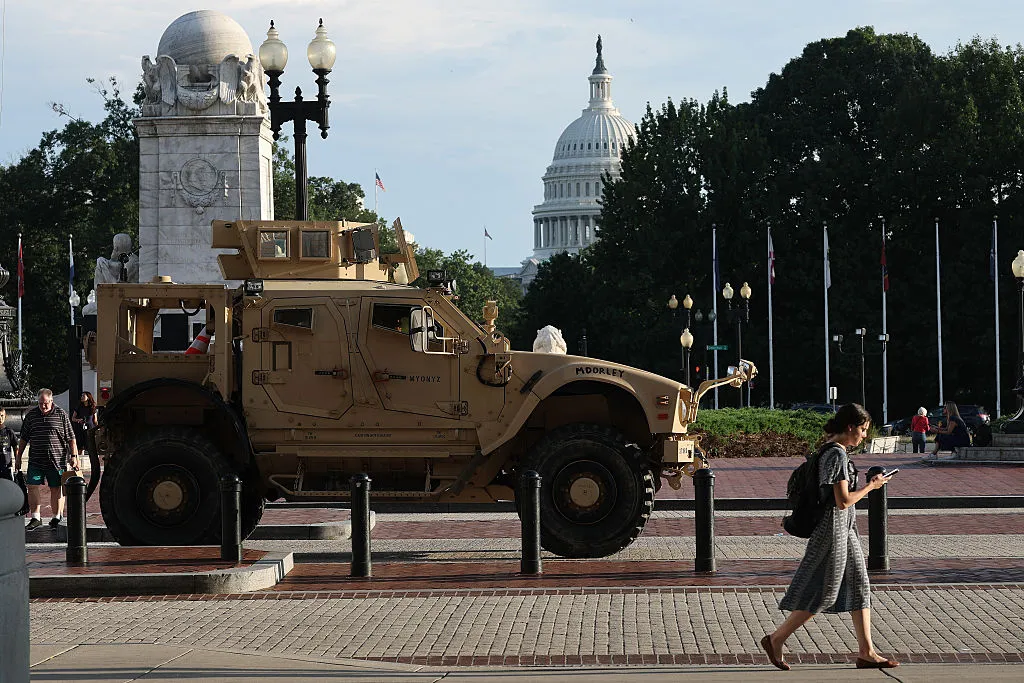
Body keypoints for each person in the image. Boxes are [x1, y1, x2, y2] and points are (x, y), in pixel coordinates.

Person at [761, 403, 897, 670]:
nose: (864, 436)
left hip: (846, 530)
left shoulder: (835, 451)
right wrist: (872, 485)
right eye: (862, 429)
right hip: (832, 530)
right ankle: (776, 638)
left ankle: (866, 651)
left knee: (860, 586)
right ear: (850, 427)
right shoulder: (835, 455)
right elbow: (843, 501)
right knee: (824, 593)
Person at [15, 389, 79, 530]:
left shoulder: (61, 414)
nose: (42, 406)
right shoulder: (31, 416)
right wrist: (18, 457)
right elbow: (24, 438)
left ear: (51, 401)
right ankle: (36, 517)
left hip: (56, 461)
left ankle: (56, 517)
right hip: (36, 460)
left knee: (56, 488)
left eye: (45, 403)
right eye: (40, 403)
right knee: (32, 486)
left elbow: (71, 438)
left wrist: (74, 456)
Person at [71, 391, 97, 456]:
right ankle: (79, 459)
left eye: (83, 396)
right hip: (80, 428)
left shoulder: (92, 407)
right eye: (81, 396)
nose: (81, 397)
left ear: (88, 397)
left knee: (90, 445)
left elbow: (95, 420)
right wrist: (78, 420)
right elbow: (73, 418)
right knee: (80, 446)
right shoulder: (79, 406)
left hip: (90, 428)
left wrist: (96, 429)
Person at [0, 408, 16, 481]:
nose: (0, 418)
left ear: (5, 416)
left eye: (2, 415)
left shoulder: (9, 432)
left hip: (7, 466)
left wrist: (17, 461)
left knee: (8, 488)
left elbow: (16, 447)